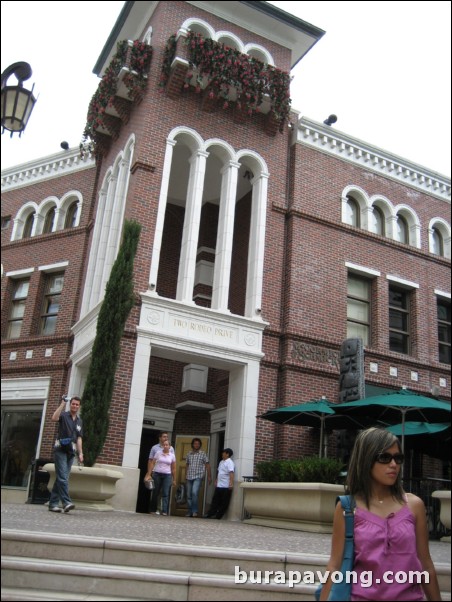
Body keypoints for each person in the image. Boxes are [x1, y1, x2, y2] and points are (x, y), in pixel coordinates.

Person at [321, 427, 441, 601]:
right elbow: (334, 565)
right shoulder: (347, 508)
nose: (393, 464)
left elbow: (426, 565)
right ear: (366, 460)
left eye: (398, 458)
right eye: (385, 458)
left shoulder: (414, 505)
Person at [48, 395, 84, 513]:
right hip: (60, 449)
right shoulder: (63, 415)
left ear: (79, 406)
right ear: (70, 404)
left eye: (77, 404)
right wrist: (62, 404)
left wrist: (80, 453)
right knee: (63, 478)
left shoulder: (79, 421)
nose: (75, 406)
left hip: (71, 451)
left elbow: (79, 438)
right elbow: (53, 418)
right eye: (73, 404)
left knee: (62, 478)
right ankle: (66, 502)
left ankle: (53, 504)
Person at [145, 440, 176, 516]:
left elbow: (174, 468)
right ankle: (153, 509)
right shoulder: (158, 453)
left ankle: (164, 510)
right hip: (157, 474)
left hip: (167, 475)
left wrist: (174, 479)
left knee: (165, 493)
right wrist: (149, 474)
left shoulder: (172, 455)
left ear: (169, 446)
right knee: (155, 492)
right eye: (164, 445)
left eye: (167, 445)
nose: (165, 446)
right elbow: (152, 463)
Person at [204, 448, 234, 519]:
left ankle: (218, 516)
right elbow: (219, 472)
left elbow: (231, 473)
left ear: (227, 454)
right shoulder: (221, 462)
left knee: (224, 502)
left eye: (224, 453)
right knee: (215, 500)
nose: (222, 454)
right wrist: (216, 480)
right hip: (219, 485)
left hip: (226, 486)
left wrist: (231, 483)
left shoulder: (230, 462)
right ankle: (211, 513)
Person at [185, 438, 212, 517]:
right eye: (195, 443)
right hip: (189, 476)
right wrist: (185, 475)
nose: (196, 445)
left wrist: (209, 476)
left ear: (200, 445)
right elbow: (187, 464)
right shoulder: (189, 454)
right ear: (192, 444)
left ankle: (194, 511)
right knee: (188, 495)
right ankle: (189, 511)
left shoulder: (203, 453)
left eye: (198, 444)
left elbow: (207, 465)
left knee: (194, 492)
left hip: (198, 476)